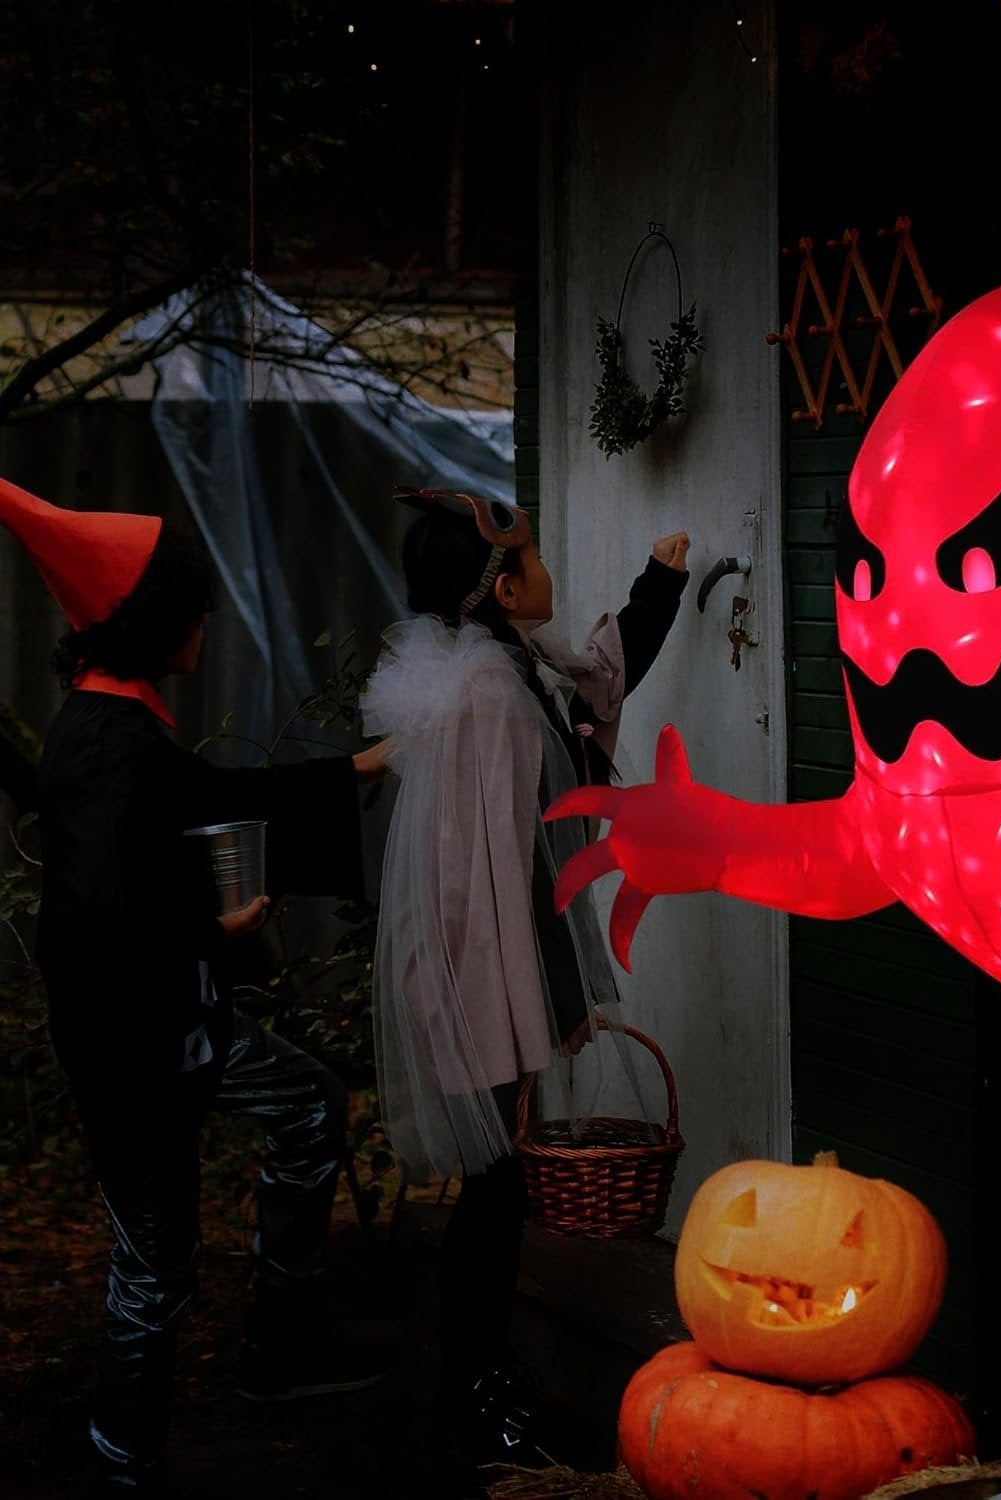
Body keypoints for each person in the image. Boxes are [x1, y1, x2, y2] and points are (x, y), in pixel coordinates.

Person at [0, 477, 395, 1499]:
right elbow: (100, 922)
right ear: (155, 622)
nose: (207, 624)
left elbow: (197, 801)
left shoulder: (111, 724)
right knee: (155, 1263)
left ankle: (284, 1337)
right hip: (132, 1051)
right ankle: (121, 1461)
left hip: (182, 1021)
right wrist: (210, 932)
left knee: (309, 1105)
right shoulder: (109, 745)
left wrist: (352, 771)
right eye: (195, 609)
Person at [362, 486, 688, 1475]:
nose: (548, 574)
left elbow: (588, 694)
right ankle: (476, 1396)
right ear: (503, 590)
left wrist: (658, 586)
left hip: (472, 962)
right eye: (533, 560)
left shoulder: (493, 666)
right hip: (478, 966)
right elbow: (502, 868)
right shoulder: (491, 698)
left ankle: (477, 1382)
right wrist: (549, 993)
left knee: (494, 1184)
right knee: (495, 1190)